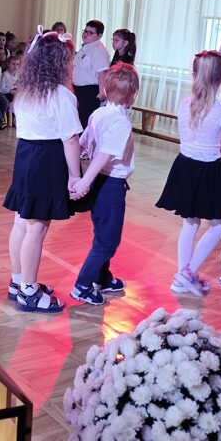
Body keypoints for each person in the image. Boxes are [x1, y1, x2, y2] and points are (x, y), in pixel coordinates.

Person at [3, 26, 81, 313]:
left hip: (25, 157)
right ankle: (29, 291)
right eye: (71, 59)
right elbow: (70, 140)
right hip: (46, 161)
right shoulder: (61, 95)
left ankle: (18, 281)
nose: (72, 64)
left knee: (21, 224)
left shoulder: (25, 91)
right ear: (61, 63)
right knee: (36, 229)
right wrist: (75, 175)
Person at [156, 50, 221, 297]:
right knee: (220, 224)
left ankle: (182, 277)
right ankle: (188, 272)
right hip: (207, 170)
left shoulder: (185, 103)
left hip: (185, 166)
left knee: (190, 222)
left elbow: (191, 136)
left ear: (194, 74)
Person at [69, 63, 140, 305]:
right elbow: (103, 155)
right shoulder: (121, 122)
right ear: (133, 96)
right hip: (110, 185)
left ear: (106, 90)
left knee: (102, 233)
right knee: (108, 241)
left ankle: (102, 278)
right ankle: (83, 285)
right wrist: (82, 183)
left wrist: (77, 175)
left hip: (100, 182)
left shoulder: (98, 113)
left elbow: (83, 143)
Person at [72, 20, 109, 129]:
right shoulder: (85, 48)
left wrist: (102, 92)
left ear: (99, 35)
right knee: (77, 121)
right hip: (78, 90)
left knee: (85, 123)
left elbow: (102, 72)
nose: (86, 34)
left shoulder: (99, 51)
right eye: (85, 31)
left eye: (90, 32)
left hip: (89, 91)